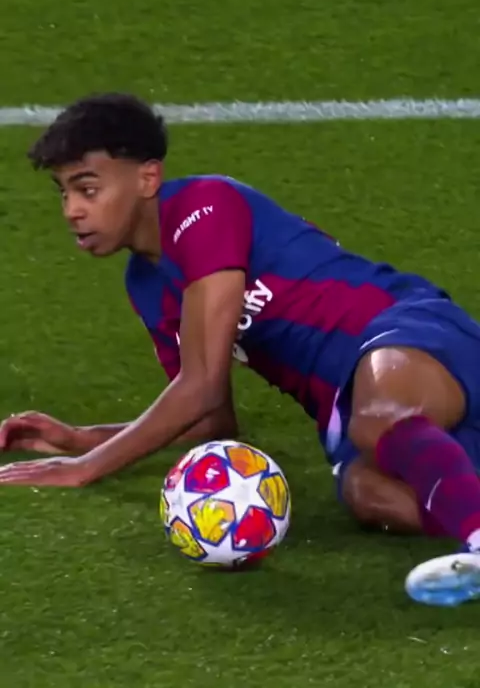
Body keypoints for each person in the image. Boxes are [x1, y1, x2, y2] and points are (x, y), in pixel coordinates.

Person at [1, 92, 480, 607]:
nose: (72, 210)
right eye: (64, 193)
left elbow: (201, 386)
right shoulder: (147, 285)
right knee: (368, 493)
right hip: (344, 403)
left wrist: (86, 466)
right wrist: (82, 437)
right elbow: (211, 419)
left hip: (405, 330)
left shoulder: (203, 208)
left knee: (380, 416)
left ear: (147, 178)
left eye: (88, 189)